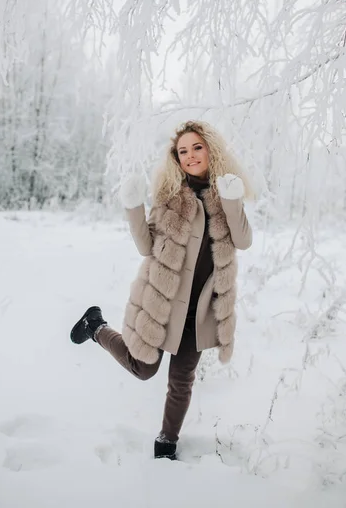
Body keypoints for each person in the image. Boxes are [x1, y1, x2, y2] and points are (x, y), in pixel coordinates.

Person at [70, 120, 253, 460]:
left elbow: (243, 240)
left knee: (182, 380)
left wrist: (232, 201)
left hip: (198, 313)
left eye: (196, 147)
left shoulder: (226, 193)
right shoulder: (171, 198)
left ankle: (167, 442)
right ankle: (95, 326)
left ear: (211, 149)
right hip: (162, 303)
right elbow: (146, 246)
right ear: (177, 159)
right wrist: (134, 208)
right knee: (144, 368)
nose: (190, 155)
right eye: (183, 151)